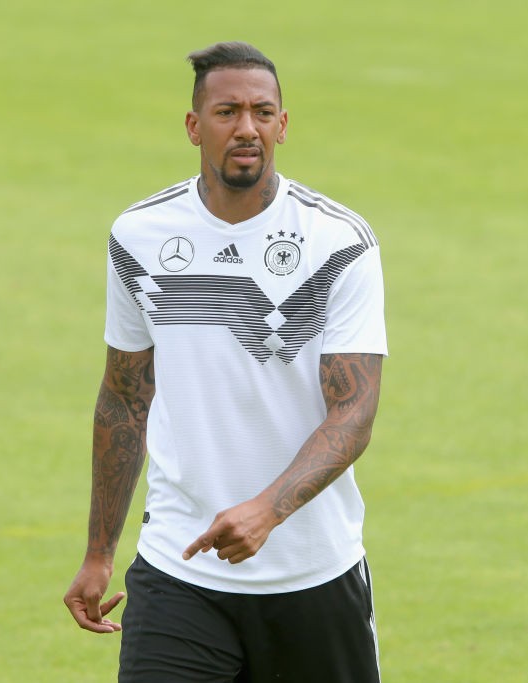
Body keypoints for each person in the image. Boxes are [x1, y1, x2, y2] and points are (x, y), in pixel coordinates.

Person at [63, 41, 388, 682]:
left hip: (312, 572)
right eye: (227, 112)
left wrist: (267, 510)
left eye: (263, 112)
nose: (247, 128)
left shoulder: (338, 243)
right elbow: (125, 394)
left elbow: (354, 410)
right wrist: (100, 551)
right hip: (178, 569)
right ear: (193, 126)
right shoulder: (140, 236)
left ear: (283, 126)